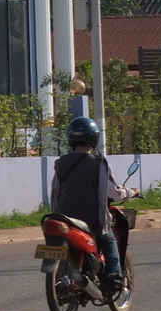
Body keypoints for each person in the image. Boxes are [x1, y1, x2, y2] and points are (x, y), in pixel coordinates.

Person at [50, 116, 131, 287]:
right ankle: (114, 276)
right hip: (92, 219)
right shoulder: (99, 163)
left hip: (65, 218)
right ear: (94, 138)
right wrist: (131, 193)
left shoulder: (61, 163)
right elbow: (114, 192)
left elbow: (55, 190)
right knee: (109, 239)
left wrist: (57, 214)